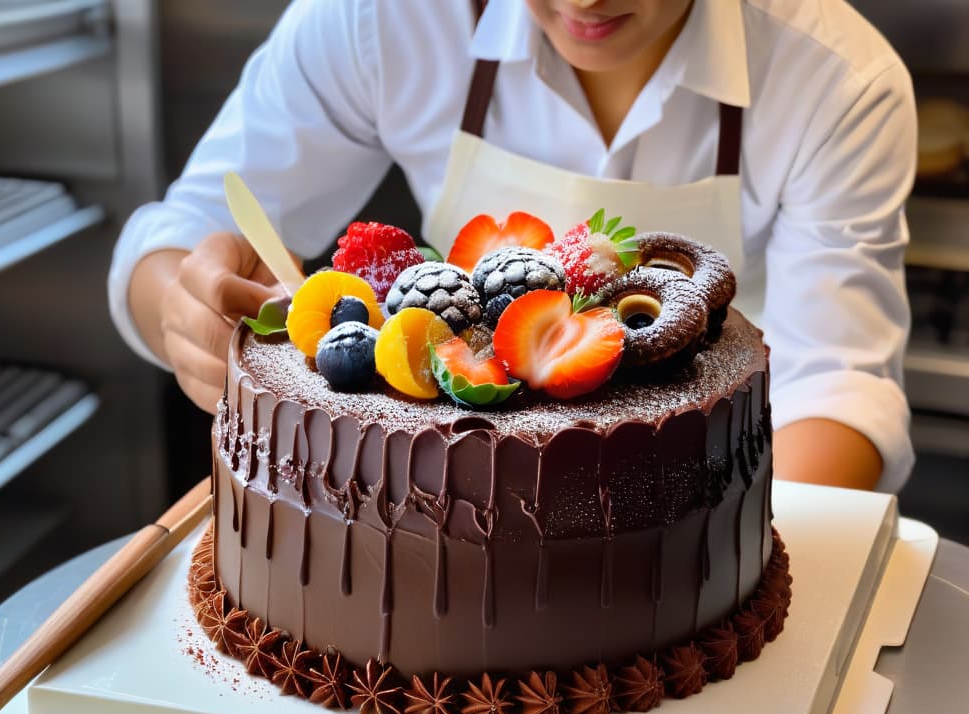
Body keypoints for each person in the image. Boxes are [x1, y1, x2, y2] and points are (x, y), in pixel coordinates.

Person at [109, 0, 916, 493]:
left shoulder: (838, 79)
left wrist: (696, 559)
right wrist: (185, 309)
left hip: (721, 490)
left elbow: (836, 386)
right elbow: (182, 236)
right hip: (432, 505)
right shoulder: (380, 18)